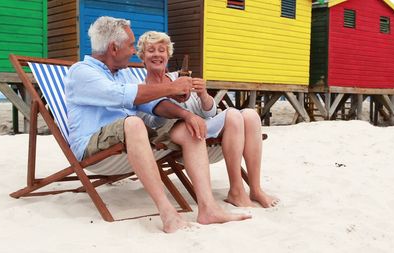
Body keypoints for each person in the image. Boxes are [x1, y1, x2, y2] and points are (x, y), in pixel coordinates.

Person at [64, 16, 250, 233]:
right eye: (131, 45)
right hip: (92, 145)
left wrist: (186, 115)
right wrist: (171, 89)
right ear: (114, 48)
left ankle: (208, 208)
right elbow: (125, 96)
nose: (134, 51)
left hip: (133, 136)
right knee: (133, 123)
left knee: (187, 128)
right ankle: (167, 212)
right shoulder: (82, 72)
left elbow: (151, 104)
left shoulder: (123, 74)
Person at [136, 31, 279, 208]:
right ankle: (236, 190)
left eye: (161, 50)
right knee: (233, 114)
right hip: (174, 135)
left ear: (168, 55)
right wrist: (170, 94)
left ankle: (255, 189)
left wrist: (203, 94)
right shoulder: (141, 88)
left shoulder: (179, 78)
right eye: (151, 50)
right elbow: (152, 123)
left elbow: (209, 113)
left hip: (200, 126)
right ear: (142, 56)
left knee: (251, 115)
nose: (157, 54)